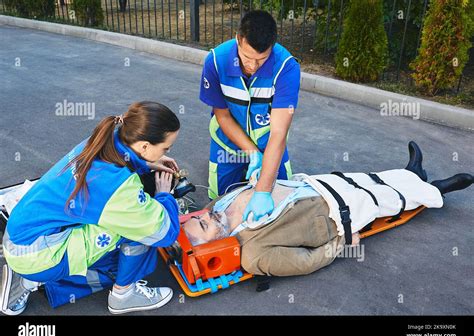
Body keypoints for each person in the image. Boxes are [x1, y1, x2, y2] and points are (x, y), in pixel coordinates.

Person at [181, 142, 473, 276]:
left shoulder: (216, 210)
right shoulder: (254, 255)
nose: (206, 214)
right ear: (214, 248)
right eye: (204, 224)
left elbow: (208, 214)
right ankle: (439, 189)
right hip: (333, 214)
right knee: (381, 199)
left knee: (366, 179)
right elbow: (307, 261)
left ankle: (413, 171)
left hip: (313, 187)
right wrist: (342, 243)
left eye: (199, 217)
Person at [1, 101, 181, 315]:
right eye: (164, 148)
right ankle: (123, 295)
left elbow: (112, 173)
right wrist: (163, 194)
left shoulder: (100, 140)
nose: (165, 152)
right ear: (144, 146)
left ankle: (27, 279)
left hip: (19, 235)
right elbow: (164, 233)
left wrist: (147, 163)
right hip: (35, 255)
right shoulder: (118, 189)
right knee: (139, 225)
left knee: (123, 225)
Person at [199, 10, 301, 224]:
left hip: (271, 145)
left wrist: (263, 192)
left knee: (284, 208)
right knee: (220, 207)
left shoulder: (286, 68)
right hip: (227, 146)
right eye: (247, 57)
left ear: (272, 47)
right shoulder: (216, 61)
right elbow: (223, 116)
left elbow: (279, 132)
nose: (253, 66)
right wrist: (252, 153)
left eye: (261, 59)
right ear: (238, 39)